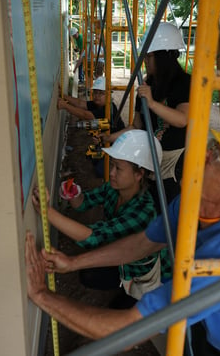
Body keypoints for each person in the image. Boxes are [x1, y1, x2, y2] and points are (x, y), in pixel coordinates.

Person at [25, 124, 220, 356]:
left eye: (218, 158)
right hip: (215, 320)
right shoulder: (192, 202)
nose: (203, 155)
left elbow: (128, 331)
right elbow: (144, 243)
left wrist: (42, 295)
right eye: (213, 147)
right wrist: (73, 263)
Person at [32, 130, 170, 306]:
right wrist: (73, 194)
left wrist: (47, 212)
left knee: (120, 312)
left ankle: (131, 297)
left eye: (118, 168)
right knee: (90, 274)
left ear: (139, 174)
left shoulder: (143, 212)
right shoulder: (114, 189)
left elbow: (92, 236)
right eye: (112, 165)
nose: (111, 173)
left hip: (142, 276)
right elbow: (83, 203)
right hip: (124, 260)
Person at [101, 22, 191, 207]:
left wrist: (151, 103)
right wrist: (109, 137)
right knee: (146, 205)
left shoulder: (184, 83)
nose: (145, 61)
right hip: (148, 158)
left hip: (172, 164)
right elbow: (136, 125)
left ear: (164, 56)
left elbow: (182, 119)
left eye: (149, 56)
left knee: (167, 206)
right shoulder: (148, 83)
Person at [57, 76, 125, 131]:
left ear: (109, 95)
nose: (97, 96)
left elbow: (86, 115)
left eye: (101, 93)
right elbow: (80, 103)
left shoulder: (108, 108)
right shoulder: (99, 103)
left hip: (116, 143)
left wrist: (65, 106)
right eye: (95, 92)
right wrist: (63, 95)